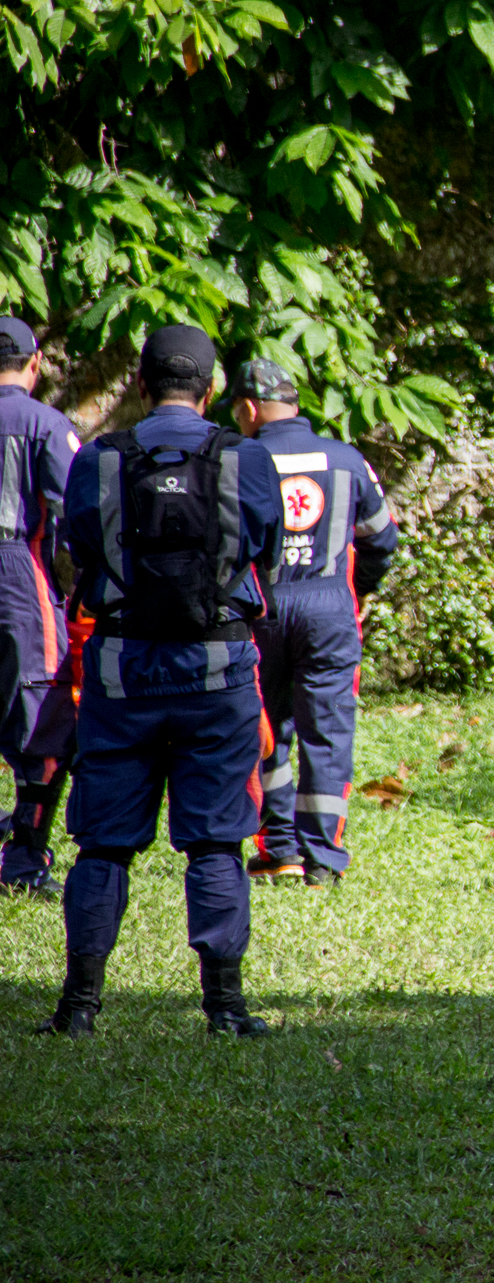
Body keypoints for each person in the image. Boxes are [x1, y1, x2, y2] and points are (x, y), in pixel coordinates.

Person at [41, 325, 283, 1036]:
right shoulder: (248, 459)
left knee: (104, 844)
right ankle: (226, 1008)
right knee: (215, 841)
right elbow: (263, 550)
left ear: (141, 386)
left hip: (121, 675)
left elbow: (72, 554)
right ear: (211, 392)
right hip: (219, 675)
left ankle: (78, 1006)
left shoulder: (100, 459)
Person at [229, 360, 401, 888]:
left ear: (249, 408)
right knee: (327, 732)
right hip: (330, 608)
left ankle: (277, 849)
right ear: (296, 404)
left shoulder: (237, 458)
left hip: (261, 606)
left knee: (264, 730)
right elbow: (383, 539)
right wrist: (361, 589)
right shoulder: (346, 459)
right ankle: (323, 859)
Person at [0, 318, 81, 896]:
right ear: (34, 364)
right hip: (17, 575)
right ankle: (25, 859)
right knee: (44, 714)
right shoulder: (44, 424)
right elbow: (79, 511)